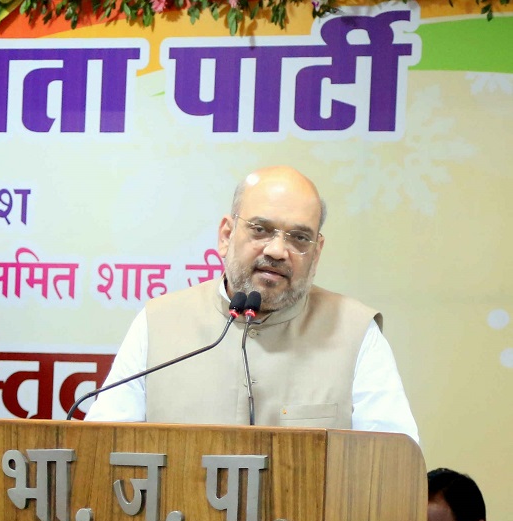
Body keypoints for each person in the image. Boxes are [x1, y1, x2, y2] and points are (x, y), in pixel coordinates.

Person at [84, 165, 418, 440]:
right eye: (261, 229)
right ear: (226, 236)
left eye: (299, 238)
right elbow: (100, 450)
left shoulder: (355, 332)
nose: (276, 250)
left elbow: (390, 469)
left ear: (316, 253)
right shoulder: (158, 324)